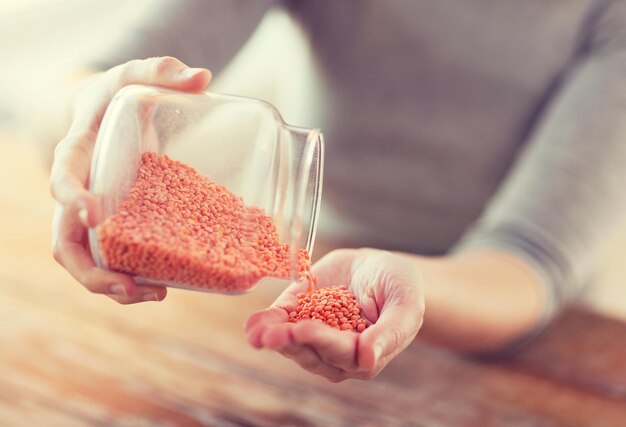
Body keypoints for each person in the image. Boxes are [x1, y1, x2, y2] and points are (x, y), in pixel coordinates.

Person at [44, 1, 626, 382]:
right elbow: (79, 88)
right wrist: (89, 114)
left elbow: (529, 260)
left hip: (488, 319)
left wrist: (410, 282)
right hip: (301, 275)